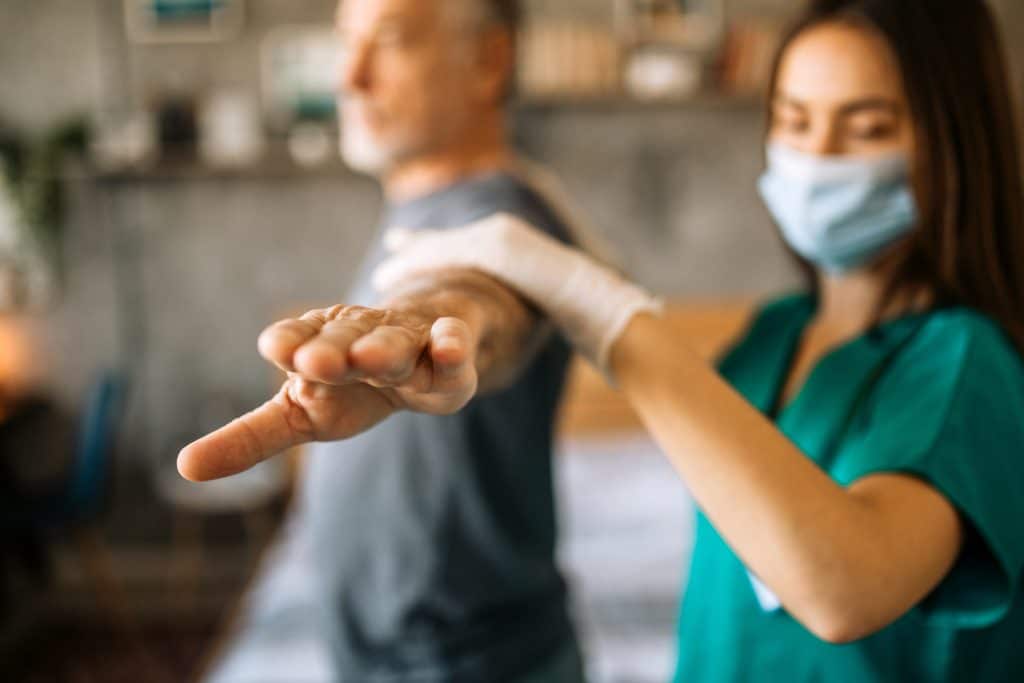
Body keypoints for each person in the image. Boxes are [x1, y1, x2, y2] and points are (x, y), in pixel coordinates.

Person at [362, 1, 1024, 681]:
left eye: (866, 128)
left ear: (952, 142)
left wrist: (602, 311)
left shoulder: (967, 363)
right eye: (794, 121)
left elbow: (843, 587)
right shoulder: (772, 335)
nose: (816, 158)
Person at [182, 1, 592, 681]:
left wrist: (430, 321)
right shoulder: (421, 206)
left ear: (489, 60)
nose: (350, 75)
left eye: (392, 42)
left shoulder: (505, 216)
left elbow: (484, 295)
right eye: (347, 42)